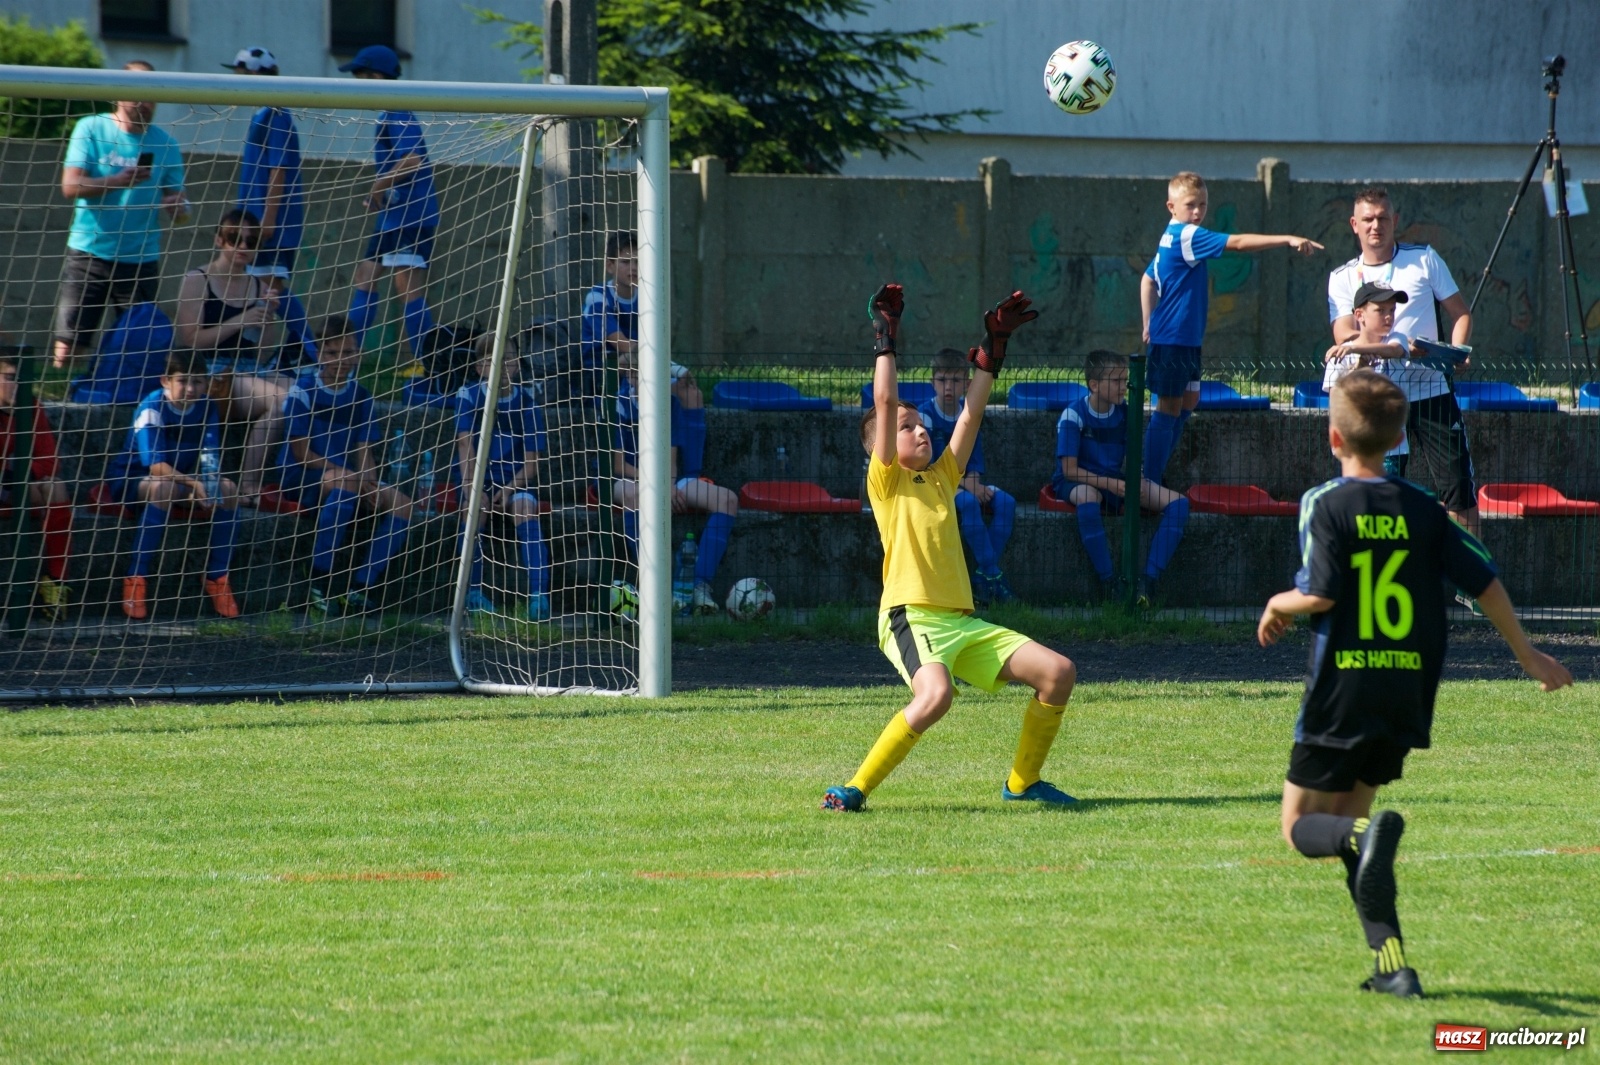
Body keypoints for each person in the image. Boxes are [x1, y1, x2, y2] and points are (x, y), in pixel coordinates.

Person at [1258, 369, 1572, 999]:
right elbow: (1485, 581)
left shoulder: (1326, 502)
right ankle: (1393, 967)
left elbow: (1320, 593)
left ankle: (1362, 841)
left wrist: (1276, 603)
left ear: (1334, 437)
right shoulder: (1426, 509)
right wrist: (1528, 655)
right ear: (1400, 437)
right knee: (1362, 840)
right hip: (1406, 688)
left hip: (1344, 686)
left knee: (1300, 827)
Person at [822, 284, 1077, 813]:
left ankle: (1023, 783)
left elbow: (969, 416)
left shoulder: (941, 478)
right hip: (911, 616)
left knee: (1058, 673)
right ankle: (854, 789)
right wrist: (885, 338)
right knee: (936, 696)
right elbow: (884, 402)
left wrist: (993, 352)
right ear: (882, 446)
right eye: (906, 428)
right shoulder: (886, 481)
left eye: (921, 425)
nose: (920, 431)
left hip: (962, 623)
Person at [1141, 170, 1322, 483]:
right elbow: (1237, 243)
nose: (1197, 212)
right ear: (1171, 207)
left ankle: (1151, 476)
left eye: (1202, 204)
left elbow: (1147, 279)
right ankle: (1146, 480)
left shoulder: (1169, 235)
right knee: (1168, 407)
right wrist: (1287, 238)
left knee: (1188, 402)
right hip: (1173, 339)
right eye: (1190, 205)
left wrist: (1147, 322)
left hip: (1183, 339)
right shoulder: (1187, 235)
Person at [1327, 187, 1480, 543]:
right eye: (1368, 219)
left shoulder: (1424, 258)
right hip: (1378, 396)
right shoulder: (1341, 276)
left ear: (1395, 221)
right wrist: (1387, 348)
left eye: (1383, 218)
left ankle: (1469, 573)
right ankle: (1385, 563)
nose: (1376, 225)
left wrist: (1457, 351)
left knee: (1458, 486)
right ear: (1354, 224)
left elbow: (1461, 313)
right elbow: (1343, 334)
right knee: (1381, 487)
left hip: (1431, 389)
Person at [53, 61, 186, 373]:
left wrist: (178, 208)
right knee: (68, 348)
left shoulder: (167, 145)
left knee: (137, 347)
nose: (145, 103)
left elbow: (181, 209)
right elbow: (70, 186)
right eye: (138, 94)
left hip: (140, 260)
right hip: (89, 253)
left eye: (152, 96)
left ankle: (120, 399)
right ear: (118, 94)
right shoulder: (90, 128)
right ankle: (66, 395)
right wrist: (117, 181)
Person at [277, 316, 413, 616]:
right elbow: (302, 453)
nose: (341, 360)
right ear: (319, 354)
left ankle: (361, 587)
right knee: (348, 483)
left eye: (348, 352)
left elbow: (364, 449)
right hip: (304, 476)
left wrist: (370, 483)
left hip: (347, 478)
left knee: (403, 504)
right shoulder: (302, 391)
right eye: (332, 353)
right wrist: (353, 477)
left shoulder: (361, 397)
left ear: (358, 354)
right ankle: (319, 578)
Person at [104, 350, 241, 621]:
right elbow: (155, 465)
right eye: (183, 381)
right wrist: (193, 483)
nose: (191, 389)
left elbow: (210, 452)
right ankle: (136, 577)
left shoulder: (207, 406)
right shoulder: (152, 407)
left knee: (227, 489)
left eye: (198, 381)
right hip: (135, 479)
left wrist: (210, 484)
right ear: (166, 380)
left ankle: (217, 577)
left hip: (180, 479)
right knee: (162, 488)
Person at [1053, 349, 1190, 605]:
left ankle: (1148, 581)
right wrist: (1111, 484)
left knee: (1179, 504)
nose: (1123, 386)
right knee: (1087, 497)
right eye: (1116, 381)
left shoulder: (1126, 412)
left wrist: (1137, 479)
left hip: (1115, 481)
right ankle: (1109, 583)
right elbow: (1069, 470)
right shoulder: (1073, 415)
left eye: (1125, 380)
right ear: (1094, 385)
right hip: (1077, 481)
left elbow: (1134, 456)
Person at [173, 209, 289, 505]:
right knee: (281, 399)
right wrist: (240, 320)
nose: (243, 246)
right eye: (234, 238)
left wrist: (268, 319)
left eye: (251, 241)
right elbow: (190, 341)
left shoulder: (259, 286)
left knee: (302, 394)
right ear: (219, 239)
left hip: (248, 371)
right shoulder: (197, 280)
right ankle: (249, 484)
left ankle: (295, 480)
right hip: (210, 372)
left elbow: (262, 353)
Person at [339, 45, 440, 371]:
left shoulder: (398, 111)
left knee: (407, 287)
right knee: (365, 276)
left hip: (411, 216)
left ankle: (428, 365)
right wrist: (380, 194)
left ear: (378, 77)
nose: (358, 85)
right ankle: (345, 358)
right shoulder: (387, 113)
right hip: (393, 216)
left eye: (362, 78)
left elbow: (413, 159)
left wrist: (377, 187)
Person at [612, 349, 733, 615]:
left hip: (664, 479)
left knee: (727, 499)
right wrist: (658, 485)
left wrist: (667, 485)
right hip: (627, 478)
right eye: (636, 375)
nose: (640, 380)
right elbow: (619, 465)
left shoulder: (669, 403)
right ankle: (655, 587)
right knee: (635, 495)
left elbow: (671, 458)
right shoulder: (617, 402)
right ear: (629, 376)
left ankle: (699, 587)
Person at [227, 45, 317, 367]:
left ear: (254, 74)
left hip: (271, 225)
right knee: (262, 291)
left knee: (268, 291)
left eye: (240, 74)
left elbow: (279, 169)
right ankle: (258, 358)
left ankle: (310, 352)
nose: (235, 81)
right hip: (255, 221)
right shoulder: (262, 113)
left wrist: (268, 219)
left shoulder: (276, 114)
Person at [456, 336, 553, 622]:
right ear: (479, 368)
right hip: (477, 480)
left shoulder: (528, 404)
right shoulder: (468, 396)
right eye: (491, 360)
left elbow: (532, 464)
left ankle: (539, 597)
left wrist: (509, 489)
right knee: (474, 509)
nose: (501, 365)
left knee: (525, 509)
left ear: (517, 364)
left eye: (507, 358)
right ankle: (473, 593)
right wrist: (473, 489)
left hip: (515, 482)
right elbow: (465, 445)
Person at [918, 348, 1016, 605]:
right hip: (935, 483)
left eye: (955, 380)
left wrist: (972, 481)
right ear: (932, 383)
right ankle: (992, 575)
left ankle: (983, 575)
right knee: (969, 502)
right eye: (942, 380)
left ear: (968, 384)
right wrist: (968, 485)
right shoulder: (925, 416)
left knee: (1006, 502)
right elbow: (928, 464)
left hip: (965, 482)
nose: (948, 387)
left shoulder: (969, 414)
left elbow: (974, 456)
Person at [0, 355, 76, 621]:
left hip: (13, 486)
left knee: (55, 487)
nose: (18, 386)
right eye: (10, 378)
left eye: (24, 380)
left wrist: (19, 474)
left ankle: (55, 581)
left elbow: (50, 460)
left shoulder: (32, 408)